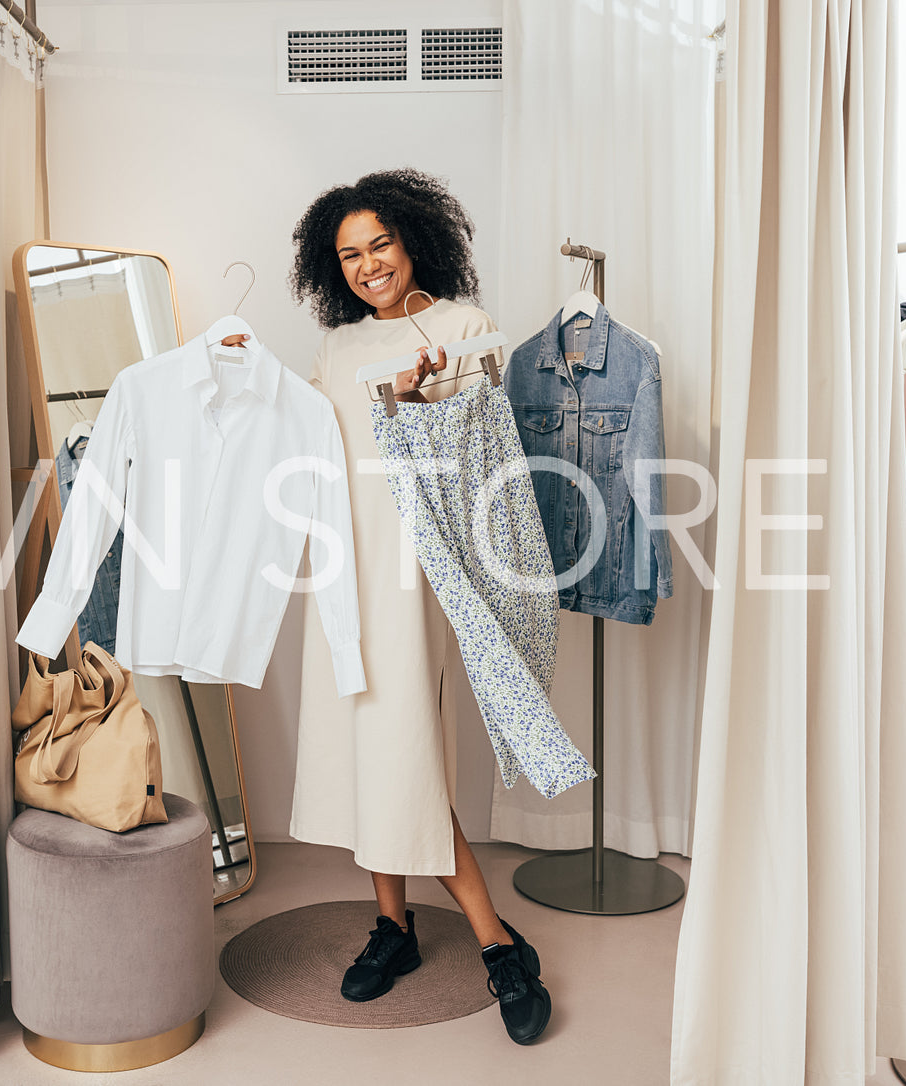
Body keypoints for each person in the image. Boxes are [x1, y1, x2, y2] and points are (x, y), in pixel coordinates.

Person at [288, 167, 552, 1045]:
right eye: (349, 254)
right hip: (344, 567)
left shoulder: (464, 329)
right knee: (368, 741)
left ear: (413, 241)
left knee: (402, 747)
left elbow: (481, 449)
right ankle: (393, 928)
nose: (367, 266)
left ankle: (493, 940)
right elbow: (314, 453)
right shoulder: (334, 349)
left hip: (421, 570)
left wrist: (423, 394)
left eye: (380, 245)